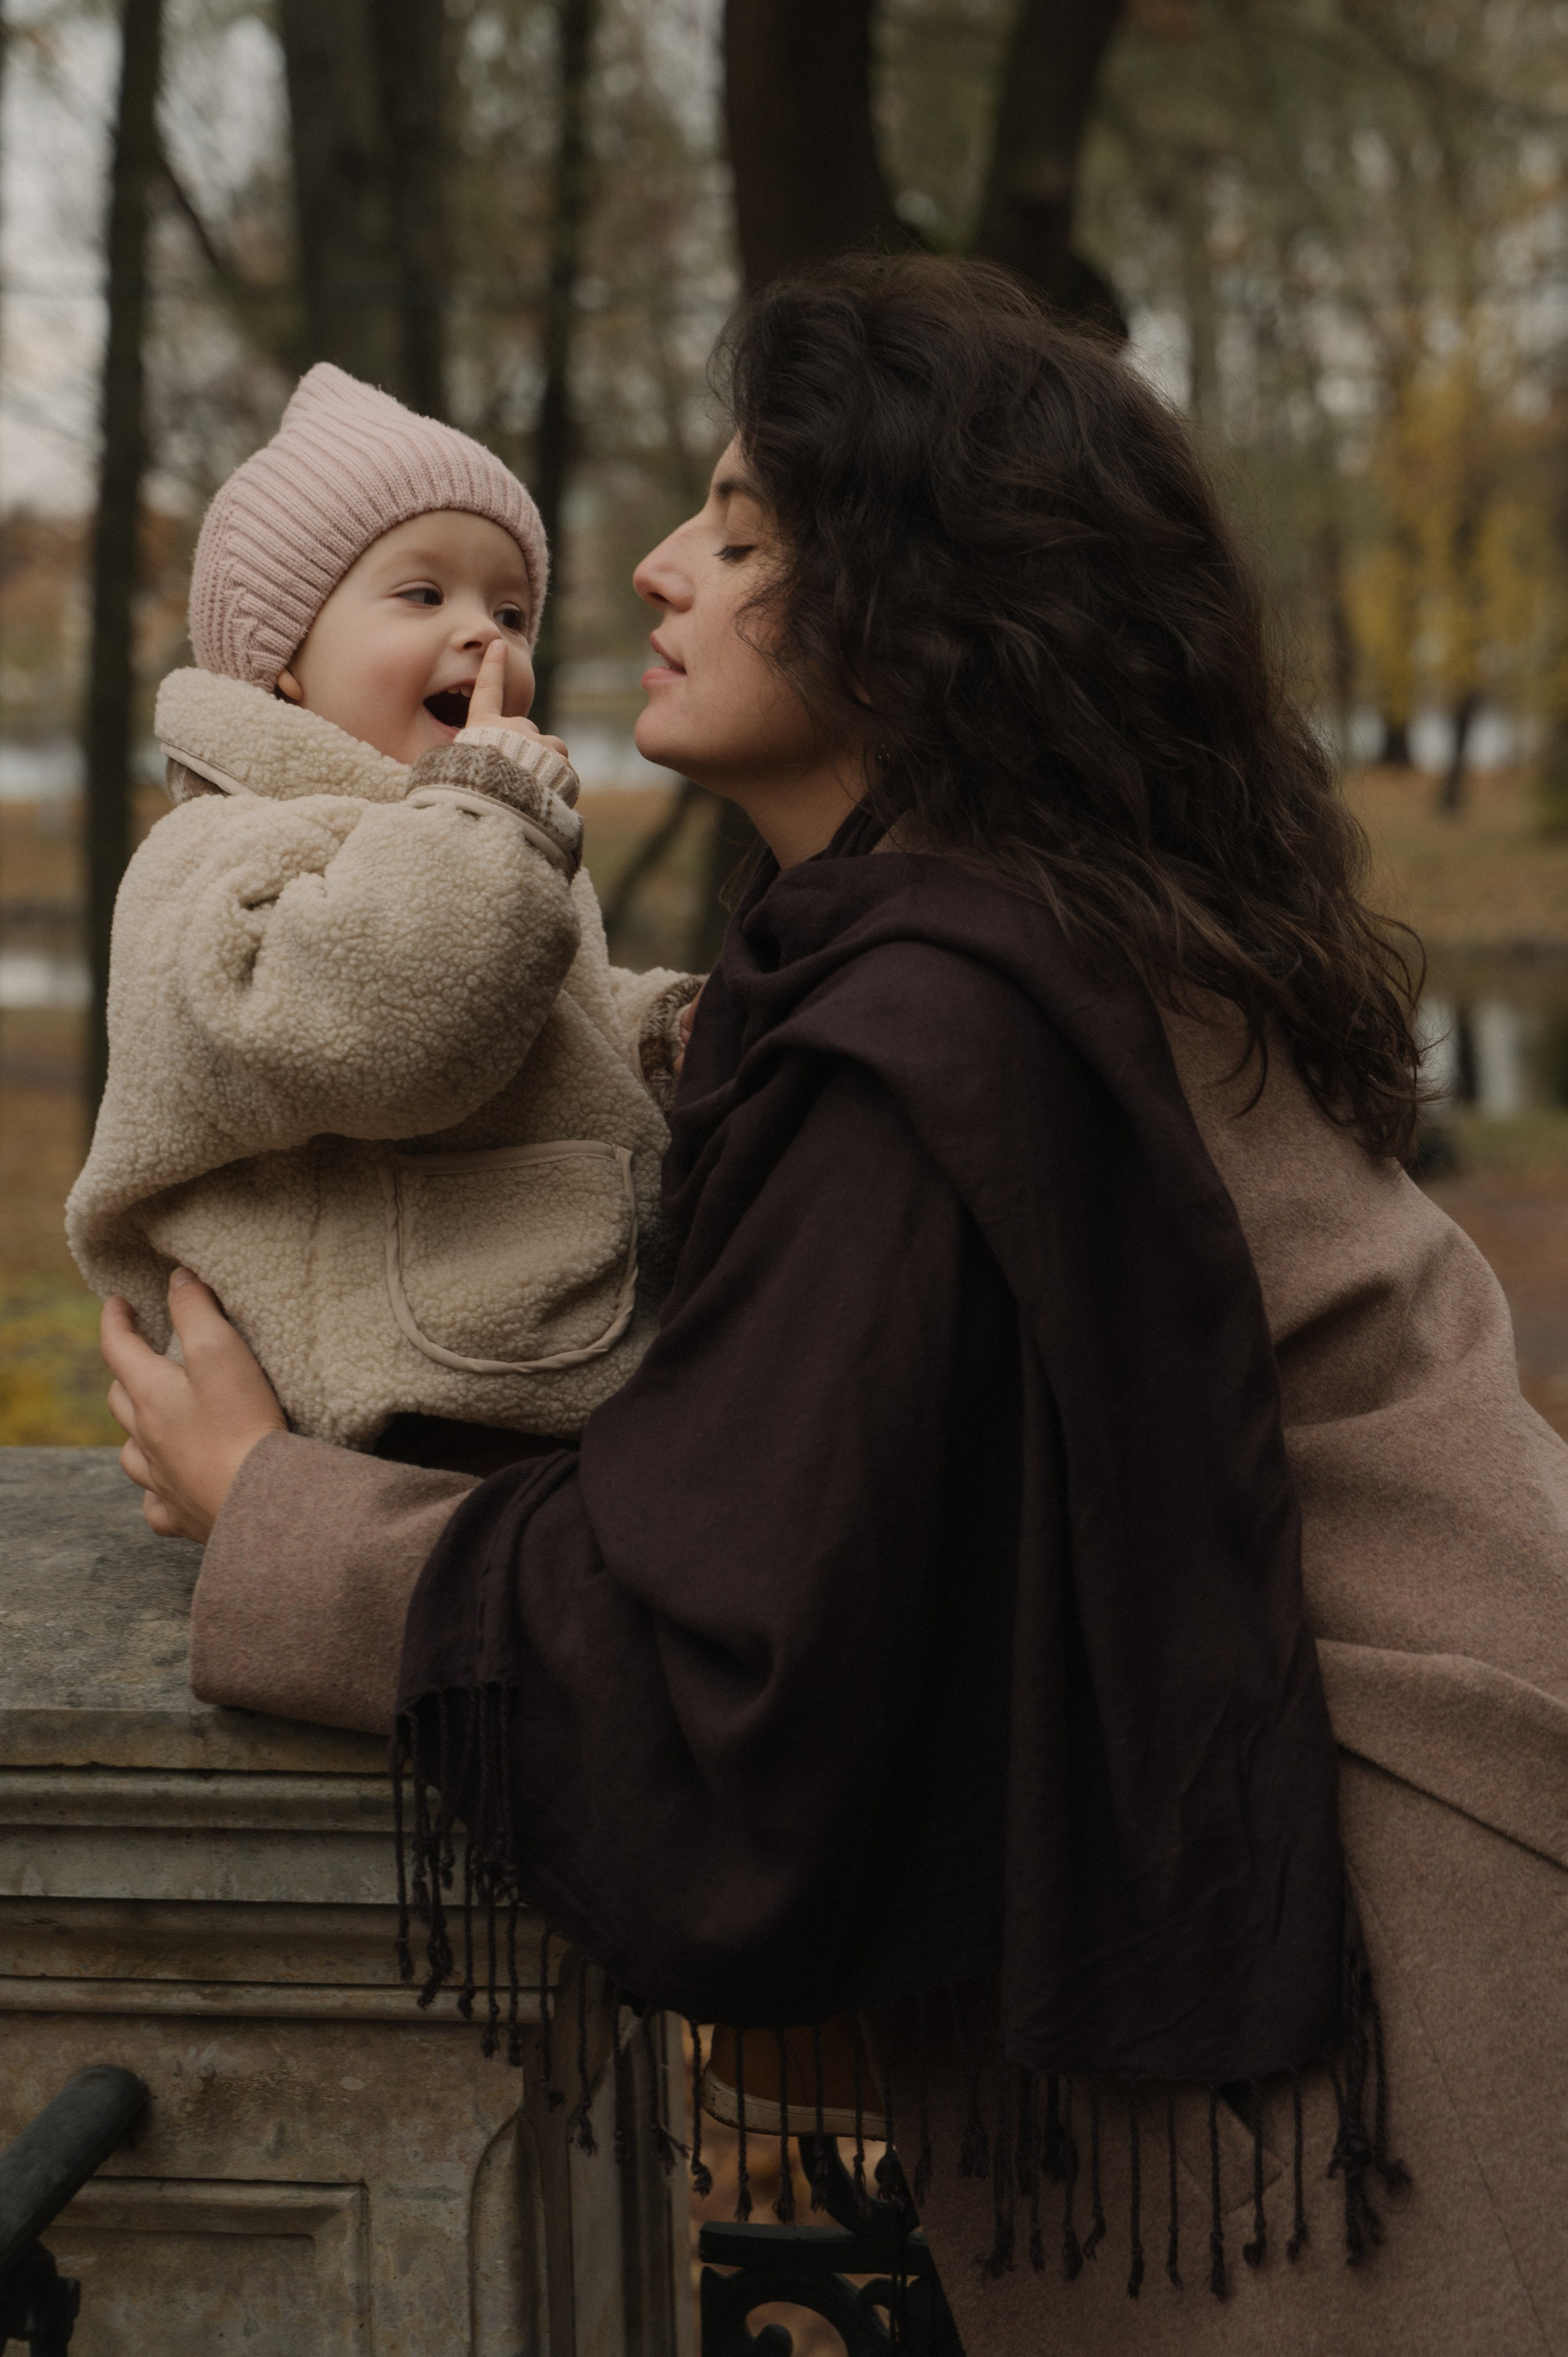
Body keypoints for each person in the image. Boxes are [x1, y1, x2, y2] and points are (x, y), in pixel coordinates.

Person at [103, 260, 1568, 2354]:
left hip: (1395, 1980)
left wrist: (278, 1510)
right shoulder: (1020, 934)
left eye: (736, 523)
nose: (646, 564)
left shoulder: (944, 1026)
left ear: (908, 587)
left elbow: (747, 1637)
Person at [70, 362, 695, 1467]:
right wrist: (490, 814)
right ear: (284, 665)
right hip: (381, 1423)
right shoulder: (214, 851)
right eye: (424, 596)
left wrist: (657, 1032)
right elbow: (372, 1026)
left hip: (504, 1385)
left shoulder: (463, 832)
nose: (486, 637)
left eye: (510, 609)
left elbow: (559, 1029)